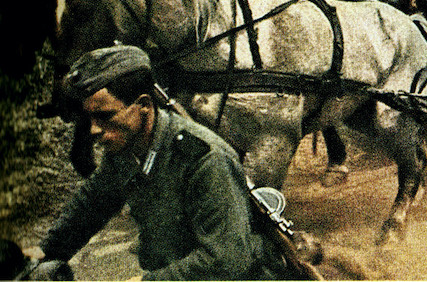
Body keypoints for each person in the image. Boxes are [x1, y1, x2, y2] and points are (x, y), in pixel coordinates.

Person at [23, 45, 292, 280]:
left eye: (104, 116)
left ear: (143, 105)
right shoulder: (126, 148)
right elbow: (93, 203)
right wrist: (47, 250)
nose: (93, 129)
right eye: (89, 119)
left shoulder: (203, 159)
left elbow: (227, 260)